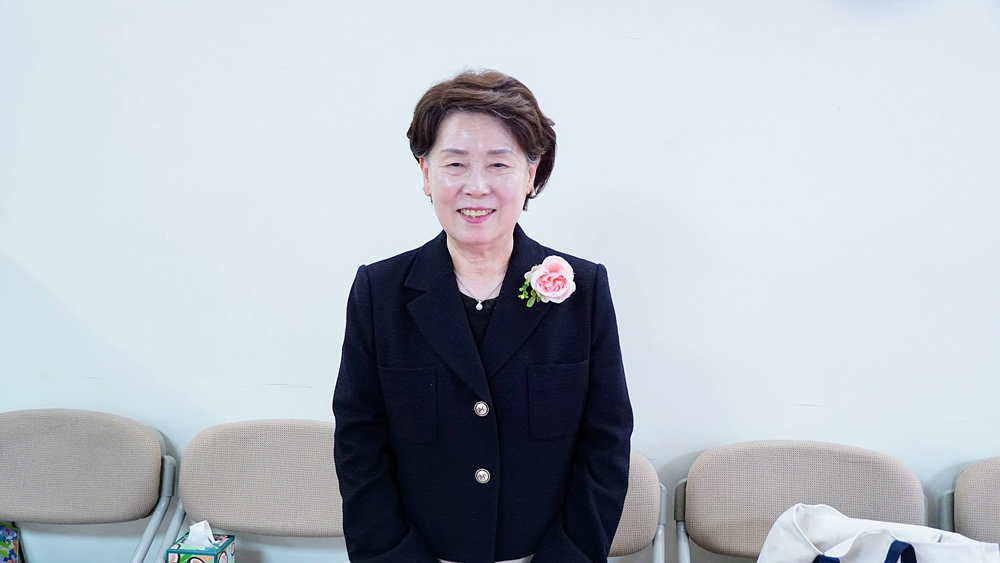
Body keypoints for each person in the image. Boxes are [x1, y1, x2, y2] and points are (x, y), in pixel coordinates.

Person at [332, 69, 633, 563]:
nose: (476, 187)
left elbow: (606, 443)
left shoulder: (583, 291)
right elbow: (359, 445)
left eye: (498, 164)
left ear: (531, 175)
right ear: (426, 174)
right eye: (455, 164)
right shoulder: (379, 292)